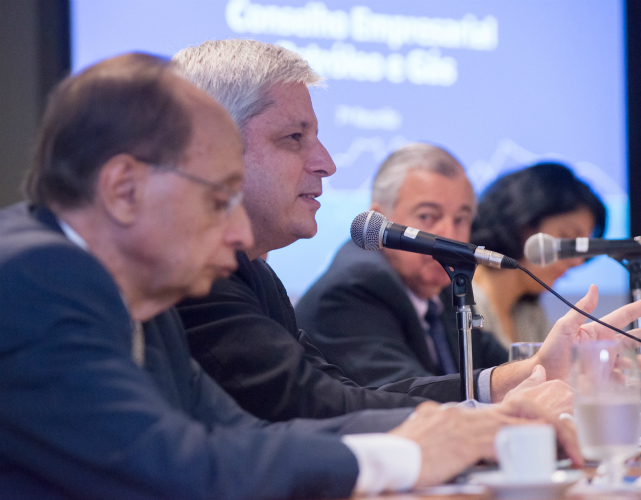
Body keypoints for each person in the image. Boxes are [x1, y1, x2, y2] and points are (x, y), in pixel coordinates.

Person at [0, 52, 545, 499]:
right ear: (123, 189)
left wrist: (460, 429)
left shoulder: (146, 300)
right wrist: (407, 453)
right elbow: (176, 467)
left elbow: (244, 435)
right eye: (218, 199)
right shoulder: (34, 277)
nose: (237, 237)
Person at [174, 38, 641, 419]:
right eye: (294, 138)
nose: (328, 164)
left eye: (461, 217)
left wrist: (530, 372)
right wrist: (495, 418)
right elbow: (312, 406)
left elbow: (335, 392)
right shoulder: (203, 274)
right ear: (212, 146)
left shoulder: (257, 273)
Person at [295, 143, 508, 388]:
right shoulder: (354, 288)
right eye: (427, 216)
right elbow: (408, 395)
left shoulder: (441, 286)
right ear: (380, 223)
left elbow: (496, 362)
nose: (450, 235)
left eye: (460, 219)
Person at [470, 163, 607, 350]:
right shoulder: (462, 303)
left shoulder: (529, 313)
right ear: (523, 224)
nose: (576, 261)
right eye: (567, 238)